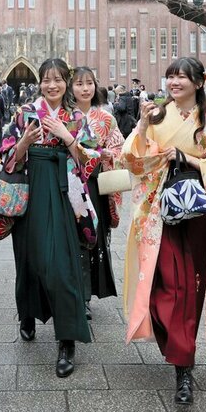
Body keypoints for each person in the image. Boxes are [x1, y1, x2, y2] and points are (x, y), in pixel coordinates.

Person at [120, 57, 206, 406]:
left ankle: (184, 366)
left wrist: (189, 158)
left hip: (196, 211)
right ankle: (174, 342)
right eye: (170, 76)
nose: (175, 82)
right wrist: (145, 129)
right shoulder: (157, 116)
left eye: (182, 76)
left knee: (189, 288)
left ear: (198, 82)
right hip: (160, 212)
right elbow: (132, 160)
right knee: (163, 284)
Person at [0, 58, 100, 378]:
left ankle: (66, 339)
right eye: (46, 80)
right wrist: (25, 142)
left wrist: (66, 136)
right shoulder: (25, 113)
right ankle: (27, 314)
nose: (51, 85)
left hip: (62, 194)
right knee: (28, 259)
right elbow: (7, 155)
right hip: (30, 192)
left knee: (61, 266)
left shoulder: (76, 117)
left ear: (66, 83)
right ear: (39, 83)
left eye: (57, 79)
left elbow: (91, 159)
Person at [70, 67, 124, 314]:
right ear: (71, 87)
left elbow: (119, 149)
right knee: (72, 238)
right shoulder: (64, 116)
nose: (85, 88)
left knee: (91, 237)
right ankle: (74, 292)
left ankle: (85, 296)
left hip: (94, 185)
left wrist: (102, 154)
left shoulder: (106, 118)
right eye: (79, 84)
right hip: (70, 185)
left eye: (89, 83)